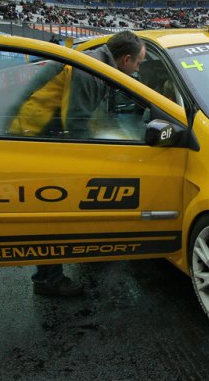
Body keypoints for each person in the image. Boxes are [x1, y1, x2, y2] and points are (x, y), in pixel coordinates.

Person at [10, 31, 146, 296]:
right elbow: (76, 121)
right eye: (139, 63)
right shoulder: (91, 71)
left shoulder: (100, 65)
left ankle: (83, 250)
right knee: (54, 211)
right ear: (126, 59)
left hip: (48, 135)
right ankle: (48, 279)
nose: (139, 69)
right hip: (35, 137)